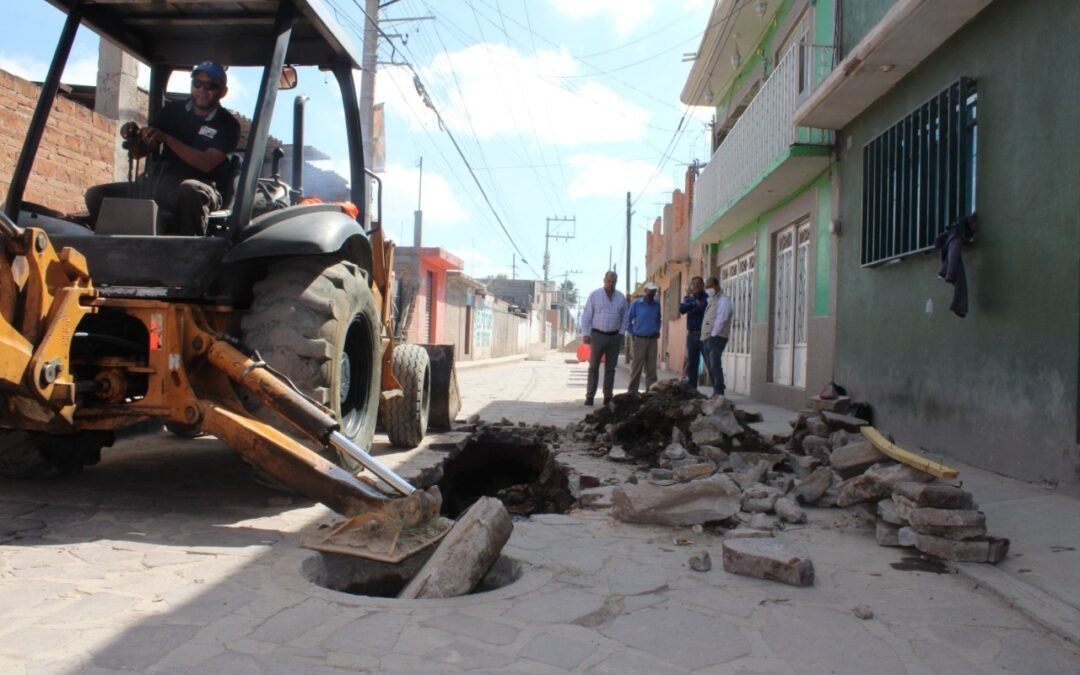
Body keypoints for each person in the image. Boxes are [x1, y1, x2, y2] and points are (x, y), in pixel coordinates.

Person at [85, 60, 241, 236]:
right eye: (197, 84)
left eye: (210, 85)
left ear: (223, 91)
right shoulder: (173, 111)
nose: (202, 90)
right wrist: (137, 137)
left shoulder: (228, 124)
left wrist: (167, 138)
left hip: (200, 187)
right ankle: (114, 248)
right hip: (158, 184)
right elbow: (143, 150)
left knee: (190, 191)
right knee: (96, 195)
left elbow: (206, 163)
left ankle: (186, 255)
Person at [580, 270, 628, 406]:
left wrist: (621, 333)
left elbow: (625, 317)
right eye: (608, 281)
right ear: (604, 280)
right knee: (593, 367)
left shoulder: (621, 298)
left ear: (616, 283)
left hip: (614, 337)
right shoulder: (594, 295)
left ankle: (608, 397)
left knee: (610, 369)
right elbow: (586, 316)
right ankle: (590, 396)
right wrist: (585, 333)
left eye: (613, 282)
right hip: (597, 336)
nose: (610, 284)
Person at [622, 281, 662, 394]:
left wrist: (657, 330)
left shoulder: (657, 304)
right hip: (639, 339)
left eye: (654, 291)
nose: (652, 293)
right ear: (645, 291)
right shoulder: (636, 304)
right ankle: (632, 392)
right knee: (637, 367)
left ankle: (651, 392)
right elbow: (628, 320)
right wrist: (632, 332)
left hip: (652, 340)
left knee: (651, 368)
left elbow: (659, 319)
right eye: (650, 291)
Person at [703, 277, 734, 398]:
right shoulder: (712, 300)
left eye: (709, 287)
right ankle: (716, 390)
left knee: (715, 364)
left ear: (716, 285)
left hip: (717, 337)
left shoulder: (723, 300)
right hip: (708, 337)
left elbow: (722, 319)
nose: (707, 289)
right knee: (711, 365)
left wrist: (713, 334)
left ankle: (719, 392)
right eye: (706, 287)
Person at [677, 276, 708, 387]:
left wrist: (690, 306)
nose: (696, 285)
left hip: (704, 335)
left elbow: (703, 307)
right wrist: (693, 304)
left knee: (710, 362)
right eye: (693, 283)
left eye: (698, 283)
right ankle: (692, 389)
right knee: (692, 364)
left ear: (702, 285)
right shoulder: (689, 298)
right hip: (691, 335)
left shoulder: (707, 298)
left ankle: (717, 391)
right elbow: (681, 309)